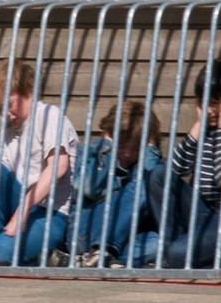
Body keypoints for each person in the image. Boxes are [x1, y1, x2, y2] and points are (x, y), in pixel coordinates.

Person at [0, 59, 79, 265]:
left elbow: (58, 167)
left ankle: (5, 254)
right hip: (19, 203)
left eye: (9, 104)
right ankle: (1, 251)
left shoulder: (48, 116)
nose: (5, 113)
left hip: (50, 212)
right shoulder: (10, 131)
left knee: (4, 251)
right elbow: (1, 182)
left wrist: (23, 208)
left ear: (30, 92)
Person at [146, 59, 221, 268]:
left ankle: (182, 255)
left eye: (216, 103)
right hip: (203, 216)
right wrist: (197, 128)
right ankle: (181, 252)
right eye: (204, 101)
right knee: (158, 174)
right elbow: (171, 172)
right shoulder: (205, 132)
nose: (209, 110)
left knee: (176, 256)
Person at [70, 100, 163, 268]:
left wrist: (150, 153)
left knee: (159, 242)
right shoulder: (91, 154)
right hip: (84, 233)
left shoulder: (145, 164)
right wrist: (108, 152)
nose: (128, 153)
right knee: (143, 185)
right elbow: (89, 188)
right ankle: (100, 251)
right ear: (110, 136)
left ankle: (98, 259)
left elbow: (156, 192)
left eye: (136, 149)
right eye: (122, 145)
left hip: (122, 240)